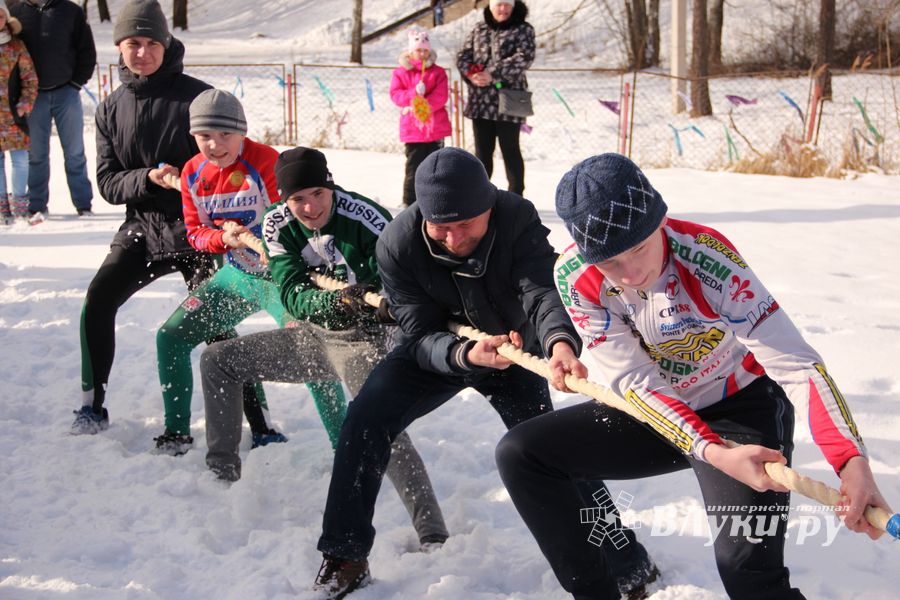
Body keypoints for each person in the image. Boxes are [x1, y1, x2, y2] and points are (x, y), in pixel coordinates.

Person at [495, 153, 891, 599]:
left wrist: (851, 462)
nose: (632, 274)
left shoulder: (707, 257)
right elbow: (637, 383)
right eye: (610, 263)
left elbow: (795, 364)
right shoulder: (575, 275)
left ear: (660, 220)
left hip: (739, 408)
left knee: (747, 575)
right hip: (656, 409)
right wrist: (709, 451)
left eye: (639, 248)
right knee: (522, 454)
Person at [313, 148, 655, 600]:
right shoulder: (397, 244)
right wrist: (464, 354)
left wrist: (559, 344)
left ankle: (625, 560)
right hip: (437, 350)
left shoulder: (516, 218)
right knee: (364, 419)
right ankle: (345, 555)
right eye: (440, 227)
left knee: (555, 453)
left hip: (515, 353)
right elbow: (417, 333)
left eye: (466, 225)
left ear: (489, 207)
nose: (453, 238)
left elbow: (543, 292)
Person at [199, 146, 449, 549]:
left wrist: (376, 303)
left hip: (365, 342)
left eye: (318, 193)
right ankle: (221, 476)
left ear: (331, 186)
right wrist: (336, 303)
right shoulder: (276, 223)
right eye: (298, 198)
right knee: (218, 360)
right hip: (312, 338)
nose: (310, 207)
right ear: (284, 199)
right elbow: (293, 294)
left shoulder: (368, 219)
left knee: (378, 423)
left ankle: (432, 530)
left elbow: (402, 284)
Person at [71, 0, 267, 437]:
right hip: (142, 227)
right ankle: (90, 406)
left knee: (216, 322)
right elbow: (107, 182)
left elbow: (234, 157)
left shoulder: (197, 97)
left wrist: (201, 183)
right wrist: (148, 178)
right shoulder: (109, 109)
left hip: (196, 229)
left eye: (151, 43)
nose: (142, 53)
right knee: (98, 300)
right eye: (132, 44)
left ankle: (261, 424)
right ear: (119, 48)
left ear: (166, 43)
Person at [153, 89, 313, 454]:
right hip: (237, 277)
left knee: (310, 347)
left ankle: (343, 444)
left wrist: (264, 242)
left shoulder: (267, 160)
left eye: (225, 134)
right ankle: (176, 432)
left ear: (242, 132)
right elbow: (195, 233)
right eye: (204, 135)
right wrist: (222, 238)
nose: (215, 144)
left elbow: (291, 221)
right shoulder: (193, 172)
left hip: (281, 279)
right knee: (170, 337)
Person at [11, 0, 95, 223]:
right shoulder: (16, 12)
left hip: (66, 92)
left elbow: (87, 50)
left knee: (75, 152)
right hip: (32, 96)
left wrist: (76, 83)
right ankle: (36, 205)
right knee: (36, 155)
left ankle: (83, 204)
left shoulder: (70, 11)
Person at [456, 0, 533, 196]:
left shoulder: (523, 29)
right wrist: (473, 75)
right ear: (491, 7)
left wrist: (492, 74)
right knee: (482, 152)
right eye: (499, 4)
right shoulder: (479, 29)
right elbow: (463, 56)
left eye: (507, 5)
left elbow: (524, 57)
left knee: (510, 150)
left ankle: (516, 196)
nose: (503, 9)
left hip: (509, 100)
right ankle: (479, 197)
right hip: (480, 101)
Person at [389, 27, 450, 208]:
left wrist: (424, 105)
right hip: (412, 129)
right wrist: (413, 95)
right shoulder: (400, 72)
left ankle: (436, 200)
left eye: (425, 50)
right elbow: (395, 94)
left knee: (436, 167)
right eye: (418, 50)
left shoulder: (438, 72)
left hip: (434, 128)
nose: (422, 54)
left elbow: (441, 95)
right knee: (413, 167)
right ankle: (410, 201)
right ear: (411, 51)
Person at [0, 2, 37, 224]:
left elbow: (30, 78)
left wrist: (24, 104)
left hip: (14, 115)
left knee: (20, 161)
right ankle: (2, 208)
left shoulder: (16, 46)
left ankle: (20, 204)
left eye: (0, 16)